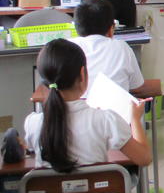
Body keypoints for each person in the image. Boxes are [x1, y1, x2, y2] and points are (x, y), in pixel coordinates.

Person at [23, 39, 152, 172]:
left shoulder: (32, 123)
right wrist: (135, 120)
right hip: (100, 186)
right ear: (82, 74)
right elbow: (144, 158)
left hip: (50, 187)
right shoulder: (106, 120)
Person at [70, 0, 150, 94]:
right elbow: (136, 85)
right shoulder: (122, 47)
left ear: (76, 27)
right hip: (116, 103)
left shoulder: (68, 47)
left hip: (78, 102)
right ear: (111, 28)